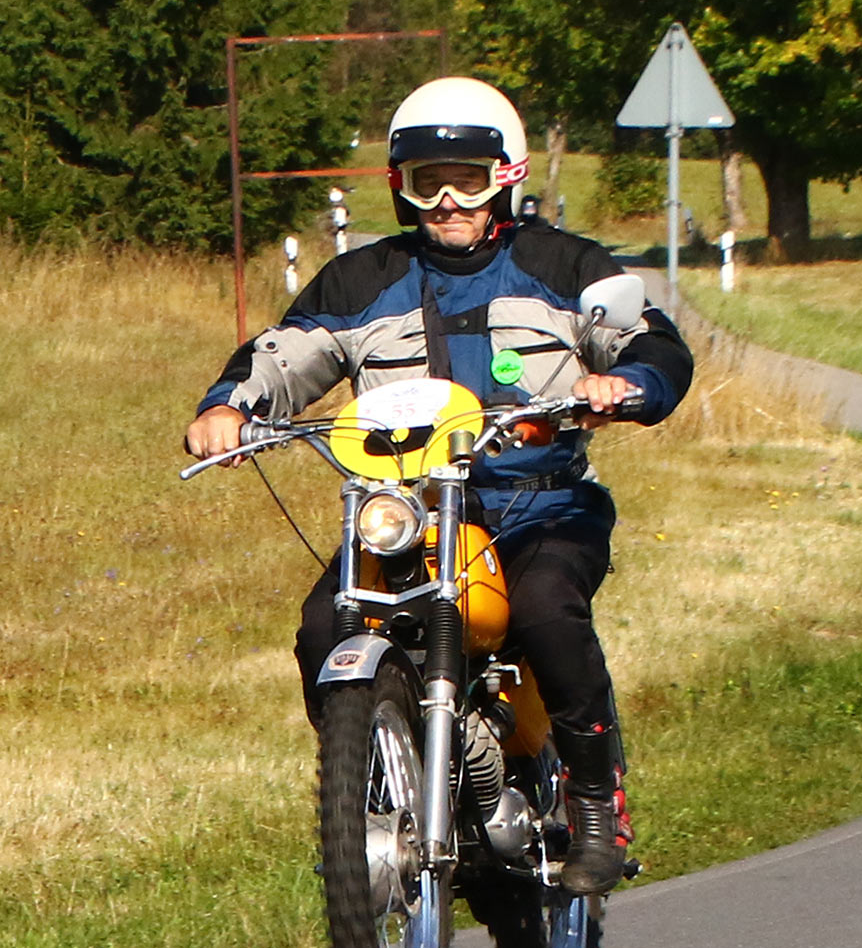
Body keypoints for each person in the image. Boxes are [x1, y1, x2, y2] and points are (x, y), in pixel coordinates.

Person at [185, 77, 693, 894]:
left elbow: (646, 342)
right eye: (428, 182)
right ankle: (375, 790)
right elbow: (282, 356)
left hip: (541, 506)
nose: (449, 200)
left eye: (468, 177)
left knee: (546, 611)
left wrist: (627, 382)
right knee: (324, 628)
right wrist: (228, 410)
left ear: (508, 175)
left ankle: (598, 806)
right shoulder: (359, 282)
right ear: (400, 188)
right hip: (409, 516)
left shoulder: (564, 264)